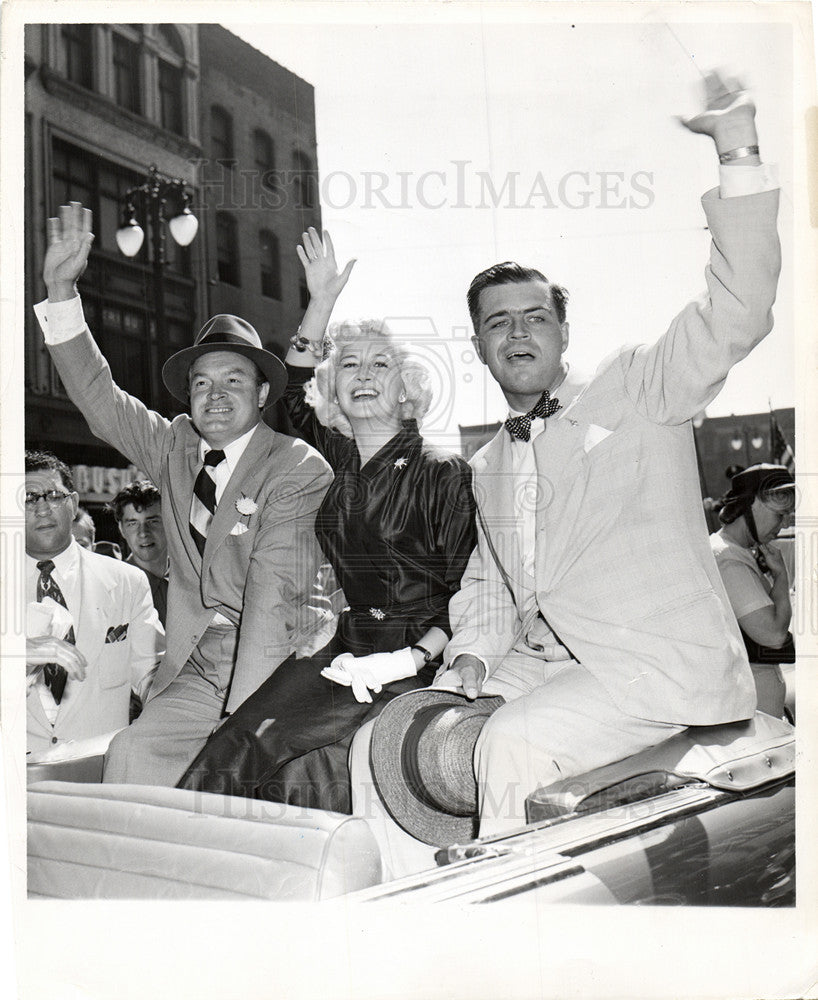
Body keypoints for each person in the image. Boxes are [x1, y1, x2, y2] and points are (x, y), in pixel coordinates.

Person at [351, 71, 784, 842]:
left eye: (535, 317)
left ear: (562, 331)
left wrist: (736, 146)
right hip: (545, 662)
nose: (518, 333)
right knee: (379, 745)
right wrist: (474, 665)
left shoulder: (635, 385)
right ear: (479, 345)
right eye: (497, 324)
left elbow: (738, 309)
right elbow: (488, 587)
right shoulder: (487, 465)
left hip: (651, 667)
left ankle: (518, 936)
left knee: (513, 744)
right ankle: (408, 922)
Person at [177, 229, 477, 812]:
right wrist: (320, 305)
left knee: (286, 759)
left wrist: (412, 657)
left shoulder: (445, 472)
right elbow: (287, 400)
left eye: (381, 364)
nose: (364, 374)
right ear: (334, 388)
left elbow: (464, 590)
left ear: (407, 386)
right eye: (350, 366)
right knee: (238, 744)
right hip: (343, 645)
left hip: (411, 658)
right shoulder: (334, 457)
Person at [35, 203, 333, 786]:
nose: (215, 397)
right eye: (202, 383)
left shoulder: (296, 466)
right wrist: (60, 288)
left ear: (264, 391)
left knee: (239, 780)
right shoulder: (173, 446)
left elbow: (273, 603)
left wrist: (244, 727)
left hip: (278, 666)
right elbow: (100, 399)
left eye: (233, 381)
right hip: (197, 666)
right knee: (130, 756)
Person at [25, 450, 164, 755]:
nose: (43, 509)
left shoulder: (128, 581)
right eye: (29, 499)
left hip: (100, 769)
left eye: (53, 496)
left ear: (73, 503)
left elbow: (151, 671)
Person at [710, 464, 795, 718]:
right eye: (780, 514)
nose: (785, 523)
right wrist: (780, 575)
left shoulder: (738, 552)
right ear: (749, 506)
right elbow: (774, 635)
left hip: (758, 714)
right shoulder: (727, 557)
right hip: (749, 719)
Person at [109, 480, 169, 627]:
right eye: (133, 523)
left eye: (153, 521)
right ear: (122, 529)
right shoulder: (113, 589)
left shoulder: (191, 581)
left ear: (170, 523)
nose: (143, 533)